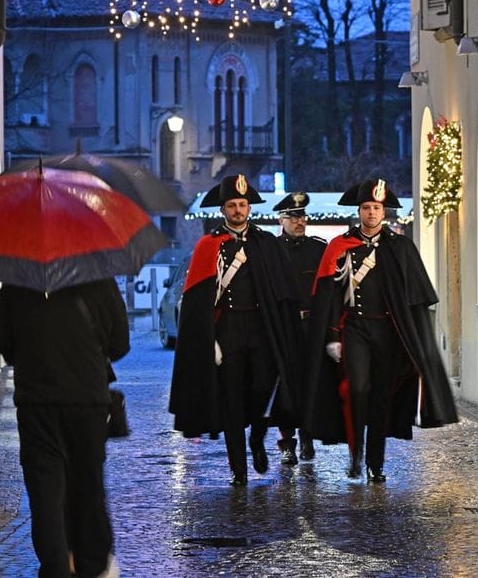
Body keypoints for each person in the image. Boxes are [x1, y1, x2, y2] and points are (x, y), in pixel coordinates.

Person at [304, 178, 459, 482]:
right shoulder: (341, 246)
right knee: (358, 389)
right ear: (359, 211)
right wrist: (333, 336)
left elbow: (415, 296)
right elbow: (329, 295)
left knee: (381, 399)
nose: (371, 213)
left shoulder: (399, 247)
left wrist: (413, 337)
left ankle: (376, 463)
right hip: (355, 329)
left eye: (376, 208)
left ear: (383, 211)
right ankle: (356, 453)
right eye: (366, 208)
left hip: (388, 333)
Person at [0, 279, 127, 578]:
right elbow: (121, 344)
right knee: (88, 486)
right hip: (88, 403)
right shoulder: (101, 282)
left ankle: (56, 568)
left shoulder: (19, 284)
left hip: (38, 405)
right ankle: (91, 565)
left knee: (45, 493)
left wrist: (23, 348)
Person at [169, 174, 303, 486]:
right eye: (232, 205)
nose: (238, 210)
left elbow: (282, 292)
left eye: (243, 205)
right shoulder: (208, 246)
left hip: (260, 330)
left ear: (249, 208)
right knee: (230, 399)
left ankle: (257, 436)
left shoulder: (266, 243)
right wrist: (208, 339)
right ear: (223, 210)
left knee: (261, 389)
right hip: (227, 331)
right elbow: (196, 300)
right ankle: (238, 469)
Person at [272, 191, 327, 464]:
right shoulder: (270, 251)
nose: (299, 222)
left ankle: (307, 437)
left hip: (311, 326)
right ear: (281, 219)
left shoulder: (318, 249)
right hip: (283, 327)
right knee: (284, 388)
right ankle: (286, 442)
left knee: (310, 385)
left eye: (303, 216)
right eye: (293, 217)